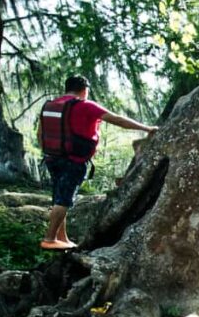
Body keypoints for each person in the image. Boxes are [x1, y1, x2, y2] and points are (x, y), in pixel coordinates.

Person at [38, 76, 157, 250]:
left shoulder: (50, 106)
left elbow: (40, 133)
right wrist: (147, 128)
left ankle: (62, 238)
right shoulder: (86, 105)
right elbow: (118, 120)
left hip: (52, 158)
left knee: (58, 197)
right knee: (64, 200)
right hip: (74, 160)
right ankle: (49, 238)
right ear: (84, 90)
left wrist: (48, 151)